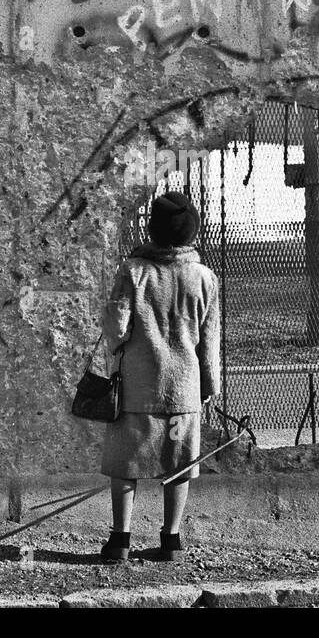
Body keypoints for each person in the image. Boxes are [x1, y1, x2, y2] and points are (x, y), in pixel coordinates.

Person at [98, 190, 221, 563]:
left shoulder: (133, 271)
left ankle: (120, 541)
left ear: (152, 228)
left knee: (125, 463)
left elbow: (116, 329)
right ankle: (171, 541)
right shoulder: (204, 278)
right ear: (191, 233)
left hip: (137, 386)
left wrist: (117, 344)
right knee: (179, 462)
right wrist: (209, 384)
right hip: (183, 389)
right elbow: (210, 341)